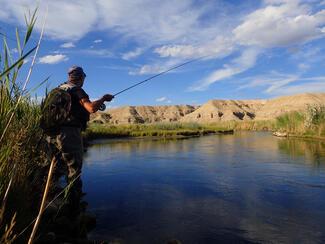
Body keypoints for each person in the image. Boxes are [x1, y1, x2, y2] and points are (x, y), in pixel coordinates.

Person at [46, 65, 114, 217]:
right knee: (74, 170)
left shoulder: (56, 91)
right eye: (84, 77)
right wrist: (104, 98)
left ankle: (49, 202)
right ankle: (74, 209)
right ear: (81, 77)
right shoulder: (77, 90)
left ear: (70, 76)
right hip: (69, 134)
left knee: (55, 168)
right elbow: (90, 108)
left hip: (51, 134)